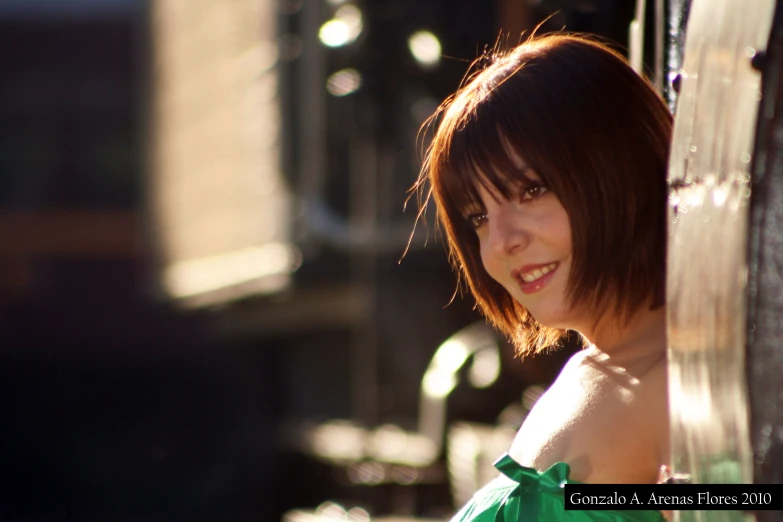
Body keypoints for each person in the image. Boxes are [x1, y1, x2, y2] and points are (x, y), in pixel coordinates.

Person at [413, 33, 672, 521]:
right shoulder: (589, 370)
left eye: (531, 190)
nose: (501, 241)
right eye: (477, 217)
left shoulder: (684, 389)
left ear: (618, 169)